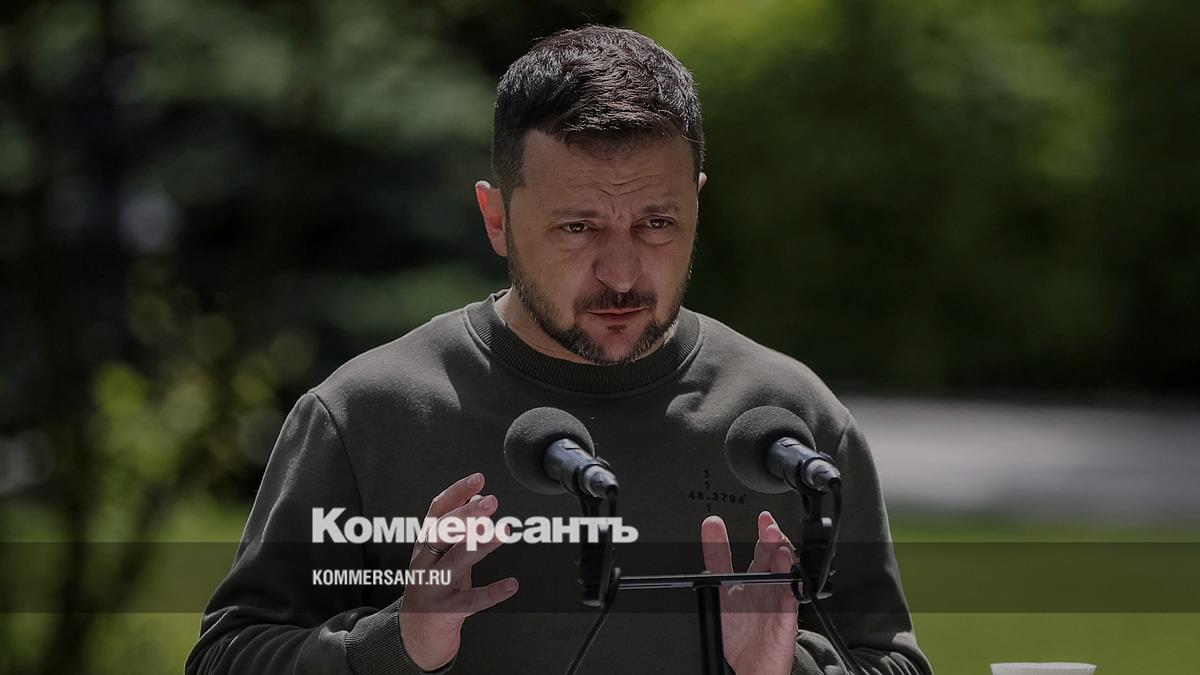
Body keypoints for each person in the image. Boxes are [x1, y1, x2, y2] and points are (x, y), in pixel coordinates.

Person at [187, 25, 932, 675]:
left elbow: (890, 660)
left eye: (657, 223)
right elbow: (227, 655)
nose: (621, 273)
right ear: (497, 218)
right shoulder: (368, 415)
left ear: (697, 205)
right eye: (578, 228)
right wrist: (394, 644)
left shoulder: (792, 426)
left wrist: (786, 669)